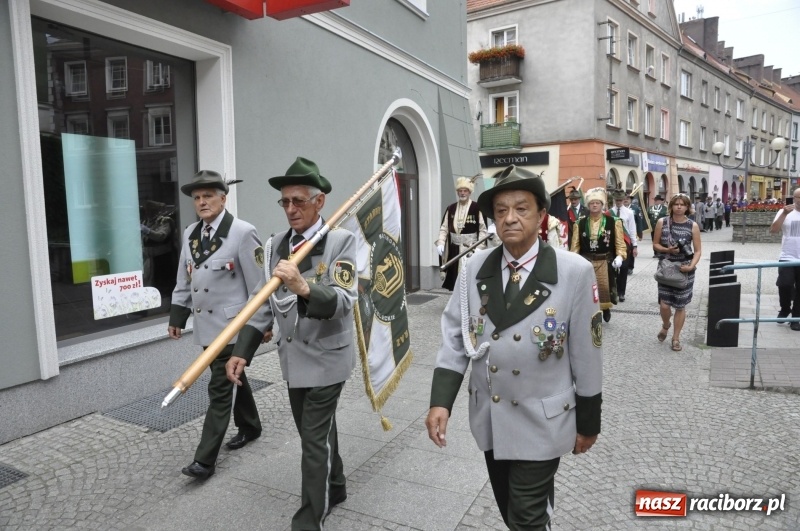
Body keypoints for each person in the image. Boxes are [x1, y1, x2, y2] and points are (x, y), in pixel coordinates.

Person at [425, 164, 602, 530]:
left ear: (541, 214)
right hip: (491, 416)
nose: (510, 218)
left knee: (525, 517)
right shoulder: (474, 268)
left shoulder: (574, 271)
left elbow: (587, 352)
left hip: (542, 419)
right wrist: (440, 401)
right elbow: (458, 336)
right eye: (501, 210)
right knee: (511, 509)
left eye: (521, 208)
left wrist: (588, 421)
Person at [226, 157, 356, 529]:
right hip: (293, 358)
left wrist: (304, 287)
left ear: (319, 202)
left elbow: (345, 300)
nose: (291, 208)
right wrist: (242, 353)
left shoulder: (341, 241)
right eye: (285, 202)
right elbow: (262, 304)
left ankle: (309, 519)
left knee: (313, 439)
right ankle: (337, 483)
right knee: (314, 429)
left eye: (299, 200)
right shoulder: (274, 245)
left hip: (329, 356)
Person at [168, 170, 264, 480]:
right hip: (206, 326)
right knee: (232, 376)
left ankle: (205, 460)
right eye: (197, 198)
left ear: (223, 198)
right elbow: (186, 276)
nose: (202, 202)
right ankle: (251, 426)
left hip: (232, 327)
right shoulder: (190, 233)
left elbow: (258, 285)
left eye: (208, 195)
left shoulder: (242, 232)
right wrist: (177, 315)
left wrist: (261, 324)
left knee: (220, 389)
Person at [653, 194, 702, 351]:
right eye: (676, 204)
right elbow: (655, 245)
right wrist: (667, 249)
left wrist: (691, 266)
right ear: (672, 206)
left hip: (684, 270)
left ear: (687, 207)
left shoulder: (692, 225)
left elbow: (698, 251)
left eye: (683, 204)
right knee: (664, 305)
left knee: (680, 306)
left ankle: (676, 338)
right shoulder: (662, 222)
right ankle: (666, 324)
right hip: (666, 268)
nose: (679, 207)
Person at [570, 187, 626, 322]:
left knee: (603, 287)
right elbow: (575, 246)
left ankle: (605, 308)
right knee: (587, 289)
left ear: (602, 205)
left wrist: (620, 256)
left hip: (604, 261)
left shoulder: (614, 221)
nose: (594, 205)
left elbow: (620, 243)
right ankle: (591, 312)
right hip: (586, 260)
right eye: (592, 203)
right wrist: (572, 261)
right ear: (588, 205)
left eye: (597, 203)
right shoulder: (580, 223)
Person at [435, 177, 488, 291]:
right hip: (454, 250)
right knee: (454, 281)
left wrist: (479, 247)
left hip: (471, 249)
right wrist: (441, 242)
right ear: (457, 192)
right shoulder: (451, 208)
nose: (463, 193)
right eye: (460, 191)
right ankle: (456, 305)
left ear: (470, 192)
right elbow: (444, 228)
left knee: (469, 280)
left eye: (465, 190)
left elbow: (483, 229)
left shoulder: (477, 207)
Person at [769, 187, 800, 331]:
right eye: (797, 197)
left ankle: (796, 318)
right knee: (785, 284)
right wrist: (784, 214)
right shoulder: (784, 212)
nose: (799, 200)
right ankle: (785, 308)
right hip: (787, 256)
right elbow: (773, 230)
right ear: (793, 198)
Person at [609, 189, 637, 302]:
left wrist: (634, 246)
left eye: (621, 200)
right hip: (611, 243)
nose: (619, 201)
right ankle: (613, 290)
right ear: (614, 200)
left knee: (624, 268)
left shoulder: (629, 213)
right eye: (617, 200)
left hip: (625, 243)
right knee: (612, 268)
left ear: (623, 200)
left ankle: (621, 292)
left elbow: (632, 230)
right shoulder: (609, 212)